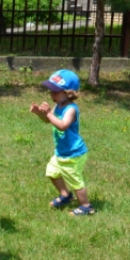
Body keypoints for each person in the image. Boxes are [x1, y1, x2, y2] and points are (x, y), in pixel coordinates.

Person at [30, 69, 94, 216]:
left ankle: (86, 206)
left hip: (73, 153)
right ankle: (65, 195)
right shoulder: (58, 105)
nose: (51, 94)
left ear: (68, 93)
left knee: (75, 181)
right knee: (52, 172)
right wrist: (40, 113)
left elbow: (62, 125)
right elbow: (49, 121)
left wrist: (50, 114)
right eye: (50, 90)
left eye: (55, 91)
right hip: (61, 152)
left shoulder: (71, 109)